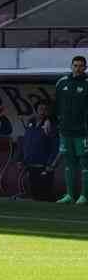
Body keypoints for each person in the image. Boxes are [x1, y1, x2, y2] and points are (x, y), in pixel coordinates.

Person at [54, 54, 88, 204]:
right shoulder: (62, 82)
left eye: (81, 66)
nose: (78, 68)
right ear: (71, 66)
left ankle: (84, 195)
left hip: (83, 131)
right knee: (68, 162)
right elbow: (55, 104)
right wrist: (50, 120)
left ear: (85, 67)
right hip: (66, 130)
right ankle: (69, 195)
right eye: (75, 65)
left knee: (84, 162)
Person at [22, 101, 60, 202]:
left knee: (45, 194)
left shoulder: (51, 124)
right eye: (40, 109)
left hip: (44, 165)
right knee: (35, 194)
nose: (43, 112)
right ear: (36, 110)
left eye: (45, 109)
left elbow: (55, 146)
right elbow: (26, 141)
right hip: (30, 164)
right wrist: (21, 159)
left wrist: (51, 163)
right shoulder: (31, 122)